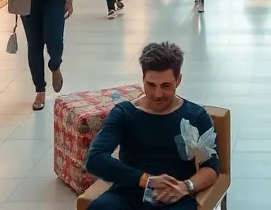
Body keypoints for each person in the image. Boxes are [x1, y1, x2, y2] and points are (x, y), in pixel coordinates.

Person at [85, 42, 221, 210]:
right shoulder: (124, 113)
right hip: (128, 193)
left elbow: (210, 168)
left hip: (175, 197)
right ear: (143, 79)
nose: (157, 94)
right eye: (151, 85)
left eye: (166, 86)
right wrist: (146, 180)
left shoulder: (196, 116)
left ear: (178, 80)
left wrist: (186, 186)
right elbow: (94, 159)